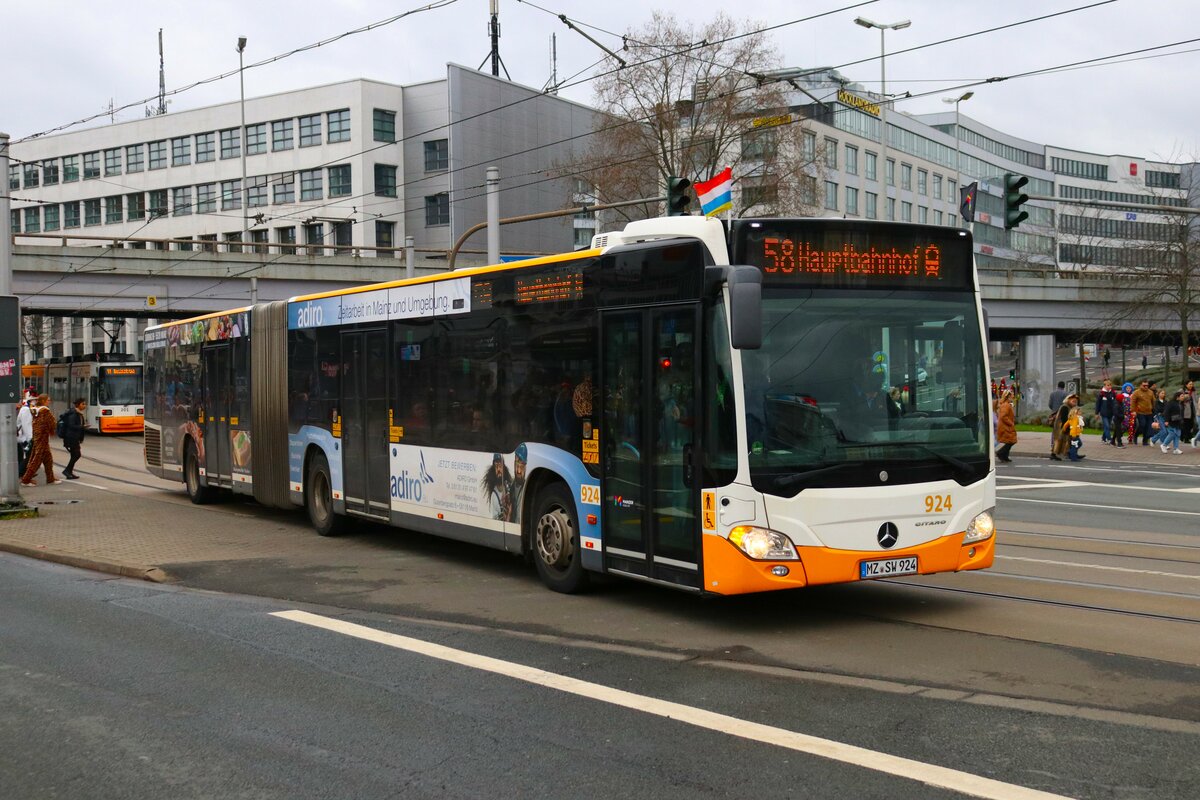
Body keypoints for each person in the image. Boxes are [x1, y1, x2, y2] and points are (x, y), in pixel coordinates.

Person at [20, 394, 61, 486]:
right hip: (43, 437)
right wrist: (52, 429)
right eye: (48, 400)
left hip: (37, 436)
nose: (49, 401)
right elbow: (52, 422)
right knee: (37, 459)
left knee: (48, 459)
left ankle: (50, 478)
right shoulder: (45, 410)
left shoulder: (35, 410)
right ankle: (26, 480)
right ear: (43, 401)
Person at [60, 397, 88, 479]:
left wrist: (81, 437)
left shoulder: (78, 413)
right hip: (71, 437)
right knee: (76, 455)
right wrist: (82, 427)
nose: (84, 406)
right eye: (83, 404)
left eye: (85, 404)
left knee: (74, 455)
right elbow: (71, 425)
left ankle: (69, 472)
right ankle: (67, 471)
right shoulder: (73, 413)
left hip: (74, 437)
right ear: (78, 405)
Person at [1050, 392, 1078, 461]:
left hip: (1061, 427)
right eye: (1073, 401)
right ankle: (1055, 454)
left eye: (1075, 401)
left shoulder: (1068, 407)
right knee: (1059, 440)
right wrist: (1066, 427)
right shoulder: (1065, 407)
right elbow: (1064, 418)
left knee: (1061, 440)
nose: (1074, 403)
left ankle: (1057, 453)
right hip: (1060, 427)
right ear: (1068, 400)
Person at [1130, 380, 1156, 445]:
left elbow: (1154, 401)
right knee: (1142, 425)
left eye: (1147, 385)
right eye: (1144, 385)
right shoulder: (1136, 392)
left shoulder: (1150, 392)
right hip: (1140, 412)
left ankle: (1145, 441)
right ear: (1140, 385)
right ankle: (1135, 435)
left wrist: (1154, 409)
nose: (1146, 387)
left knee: (1148, 427)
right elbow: (1133, 402)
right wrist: (1133, 411)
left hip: (1149, 412)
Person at [995, 390, 1017, 463]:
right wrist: (1011, 423)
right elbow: (1003, 417)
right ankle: (1000, 453)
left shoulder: (1006, 404)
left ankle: (1005, 456)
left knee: (1010, 441)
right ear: (1008, 397)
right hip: (1006, 427)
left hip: (1006, 426)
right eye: (1011, 396)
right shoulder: (1006, 405)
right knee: (1010, 441)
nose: (1013, 397)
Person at [1094, 379, 1117, 444]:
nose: (1109, 386)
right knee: (1107, 426)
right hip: (1104, 413)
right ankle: (1109, 439)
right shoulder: (1101, 394)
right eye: (1107, 385)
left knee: (1108, 426)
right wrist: (1096, 413)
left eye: (1110, 385)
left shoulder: (1113, 393)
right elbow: (1098, 404)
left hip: (1111, 412)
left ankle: (1103, 438)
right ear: (1104, 386)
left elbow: (1115, 402)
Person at [16, 396, 34, 475]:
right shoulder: (25, 410)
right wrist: (30, 438)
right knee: (28, 455)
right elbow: (26, 425)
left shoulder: (21, 409)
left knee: (22, 455)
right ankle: (22, 472)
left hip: (20, 437)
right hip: (22, 437)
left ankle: (23, 472)